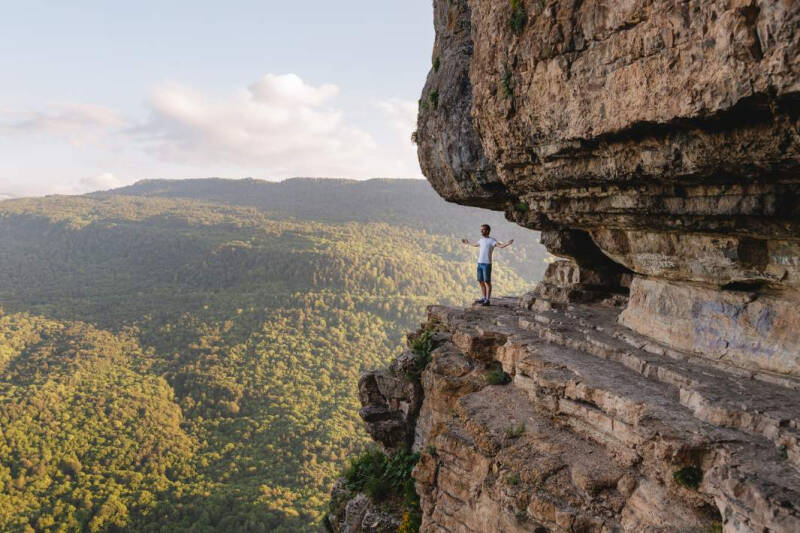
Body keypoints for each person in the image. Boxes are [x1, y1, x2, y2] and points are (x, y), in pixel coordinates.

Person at [461, 224, 513, 306]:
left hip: (487, 264)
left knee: (487, 282)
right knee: (481, 281)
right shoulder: (481, 240)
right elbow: (475, 245)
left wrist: (507, 243)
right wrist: (468, 243)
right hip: (480, 263)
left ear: (488, 231)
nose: (481, 231)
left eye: (483, 230)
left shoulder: (492, 240)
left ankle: (488, 300)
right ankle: (484, 298)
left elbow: (500, 246)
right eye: (481, 230)